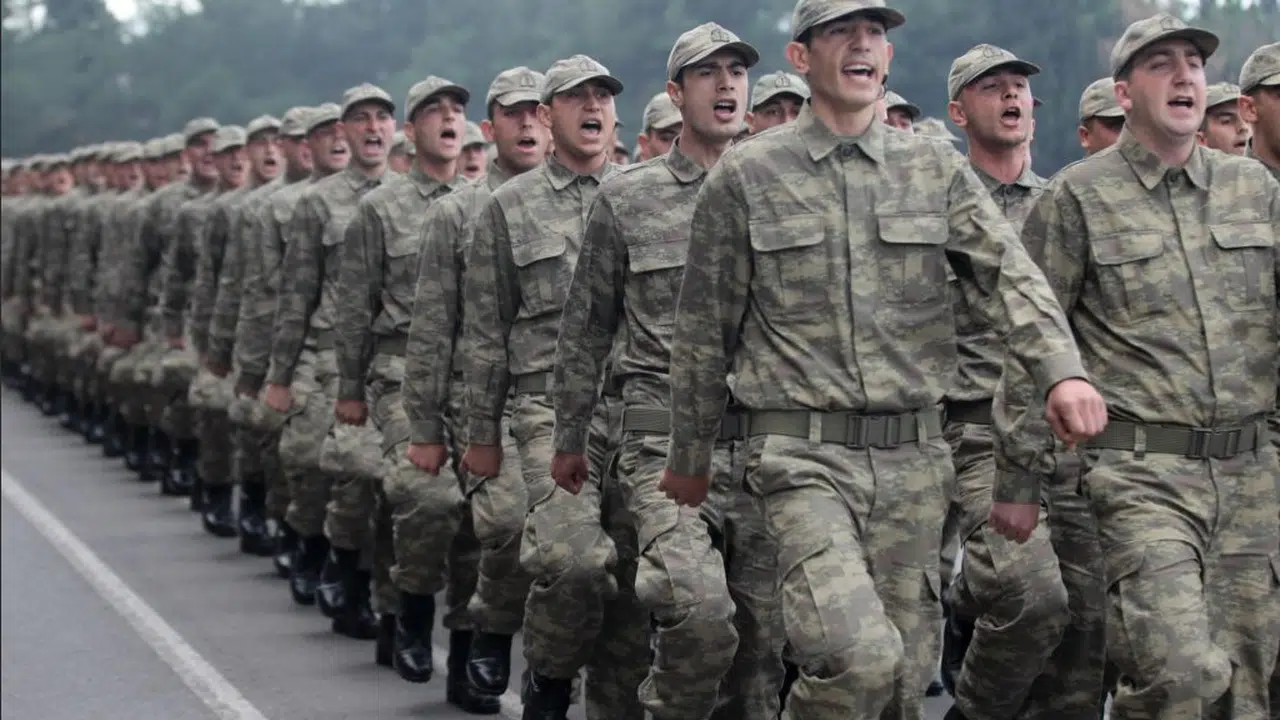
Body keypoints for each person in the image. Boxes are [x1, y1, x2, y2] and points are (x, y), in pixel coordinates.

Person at [663, 1, 1106, 718]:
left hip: (914, 466)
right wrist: (690, 455)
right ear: (802, 57)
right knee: (857, 658)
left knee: (899, 684)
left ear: (890, 58)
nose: (862, 45)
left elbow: (1009, 276)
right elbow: (702, 329)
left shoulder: (931, 167)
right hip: (802, 462)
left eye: (874, 34)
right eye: (841, 32)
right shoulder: (749, 175)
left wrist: (1062, 368)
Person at [993, 14, 1280, 719]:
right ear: (1124, 93)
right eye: (1161, 65)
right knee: (1175, 674)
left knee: (1245, 688)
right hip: (1143, 476)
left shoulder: (1254, 190)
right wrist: (1018, 481)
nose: (1184, 76)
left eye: (1193, 63)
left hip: (1252, 474)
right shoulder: (1077, 196)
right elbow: (1035, 340)